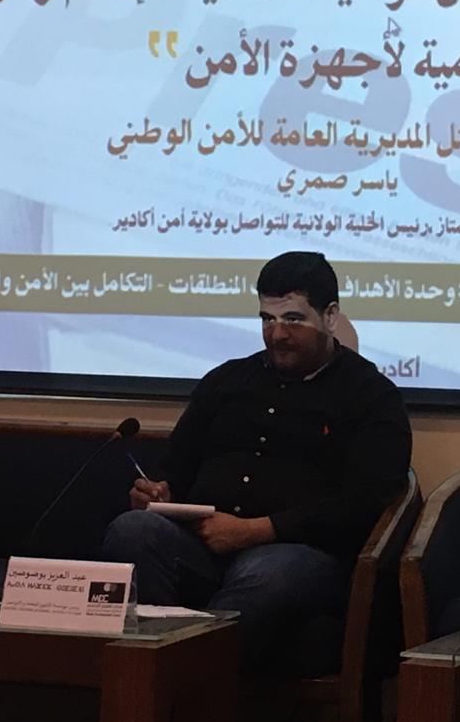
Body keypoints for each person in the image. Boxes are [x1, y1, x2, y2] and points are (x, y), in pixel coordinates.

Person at [103, 251, 412, 673]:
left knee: (270, 575)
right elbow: (175, 467)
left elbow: (364, 504)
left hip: (300, 554)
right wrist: (157, 492)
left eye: (293, 319)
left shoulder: (371, 396)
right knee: (132, 529)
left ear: (330, 316)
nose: (277, 334)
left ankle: (178, 688)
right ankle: (152, 682)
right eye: (267, 319)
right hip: (203, 544)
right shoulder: (227, 381)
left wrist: (254, 530)